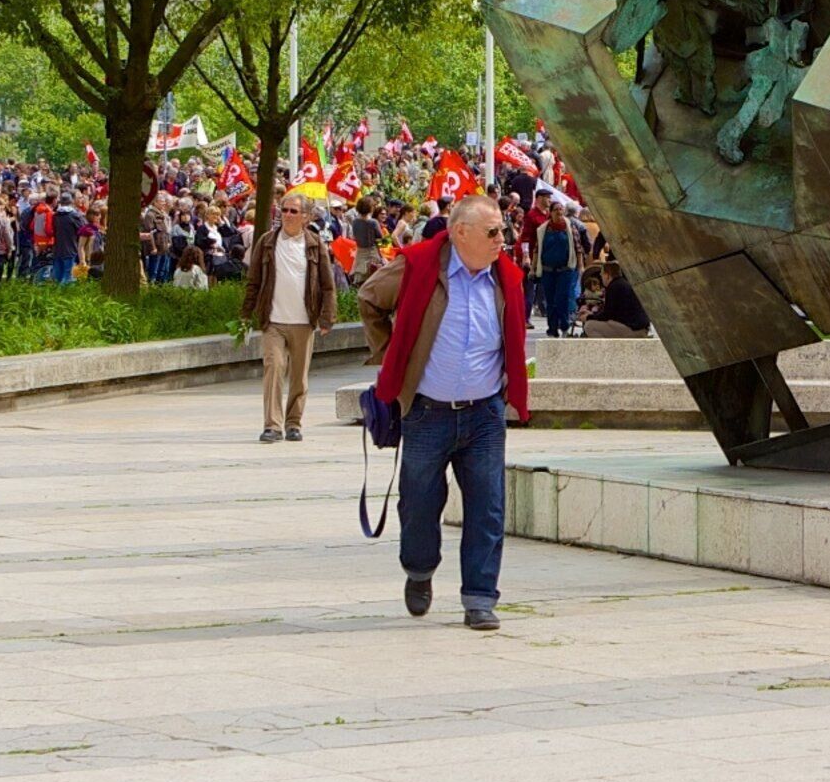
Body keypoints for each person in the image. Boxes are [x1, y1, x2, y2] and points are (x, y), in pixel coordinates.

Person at [359, 194, 529, 631]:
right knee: (418, 505)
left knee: (488, 508)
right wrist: (390, 356)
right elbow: (370, 298)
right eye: (493, 232)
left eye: (503, 231)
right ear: (460, 233)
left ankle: (479, 598)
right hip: (427, 413)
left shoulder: (505, 278)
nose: (501, 240)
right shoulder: (418, 266)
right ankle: (419, 570)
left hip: (485, 414)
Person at [245, 193, 334, 445]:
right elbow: (253, 281)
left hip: (304, 321)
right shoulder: (267, 242)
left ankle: (293, 423)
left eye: (294, 211)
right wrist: (245, 314)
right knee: (273, 368)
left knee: (298, 376)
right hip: (273, 320)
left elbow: (328, 285)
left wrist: (327, 317)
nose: (287, 215)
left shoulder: (315, 244)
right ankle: (271, 425)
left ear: (306, 217)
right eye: (284, 210)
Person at [536, 208, 583, 339]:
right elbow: (537, 249)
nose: (559, 212)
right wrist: (534, 268)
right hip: (547, 271)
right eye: (556, 210)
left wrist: (580, 267)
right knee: (550, 300)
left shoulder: (570, 227)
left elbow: (578, 248)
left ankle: (564, 325)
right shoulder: (543, 230)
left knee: (562, 298)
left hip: (565, 271)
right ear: (550, 213)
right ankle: (552, 328)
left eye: (561, 210)